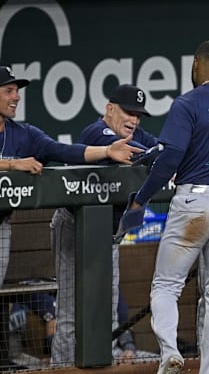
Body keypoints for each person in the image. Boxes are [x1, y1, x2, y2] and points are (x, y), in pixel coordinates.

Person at [0, 66, 142, 374]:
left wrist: (106, 150)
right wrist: (13, 164)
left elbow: (64, 151)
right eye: (9, 91)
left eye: (17, 90)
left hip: (0, 230)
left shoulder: (24, 134)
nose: (16, 97)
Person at [119, 39, 209, 374]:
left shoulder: (187, 102)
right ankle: (208, 371)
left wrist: (142, 197)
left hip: (196, 203)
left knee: (166, 285)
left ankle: (170, 354)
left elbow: (171, 158)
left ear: (196, 65)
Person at [49, 83, 158, 367]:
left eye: (139, 115)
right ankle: (60, 370)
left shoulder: (135, 132)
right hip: (77, 229)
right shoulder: (96, 132)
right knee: (71, 313)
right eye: (128, 112)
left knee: (105, 312)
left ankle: (101, 369)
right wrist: (156, 155)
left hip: (110, 234)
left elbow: (161, 148)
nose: (134, 120)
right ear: (110, 109)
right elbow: (136, 152)